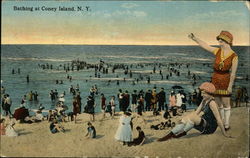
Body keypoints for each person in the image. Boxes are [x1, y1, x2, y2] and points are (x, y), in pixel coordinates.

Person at [189, 31, 238, 131]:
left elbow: (233, 74)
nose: (219, 41)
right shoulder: (217, 51)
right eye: (219, 40)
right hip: (215, 79)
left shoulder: (234, 56)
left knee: (226, 104)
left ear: (227, 41)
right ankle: (222, 121)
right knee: (219, 103)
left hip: (225, 80)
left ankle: (227, 124)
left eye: (221, 40)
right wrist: (195, 38)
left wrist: (230, 86)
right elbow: (205, 46)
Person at [157, 82, 233, 142]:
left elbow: (218, 119)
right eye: (201, 93)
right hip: (203, 123)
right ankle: (172, 134)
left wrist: (224, 133)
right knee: (188, 117)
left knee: (192, 117)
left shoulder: (212, 103)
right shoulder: (204, 100)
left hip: (209, 127)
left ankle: (176, 134)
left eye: (204, 93)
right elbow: (196, 112)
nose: (202, 95)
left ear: (210, 93)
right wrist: (185, 119)